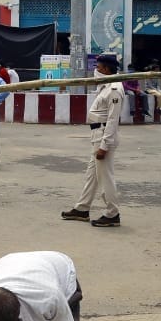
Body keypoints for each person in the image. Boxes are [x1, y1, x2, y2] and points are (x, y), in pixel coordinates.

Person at [61, 53, 124, 227]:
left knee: (105, 177)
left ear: (106, 69)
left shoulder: (114, 89)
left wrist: (104, 146)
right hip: (97, 134)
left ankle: (112, 213)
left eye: (99, 67)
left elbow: (113, 120)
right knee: (92, 176)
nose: (96, 70)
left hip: (104, 136)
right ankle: (82, 209)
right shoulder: (105, 86)